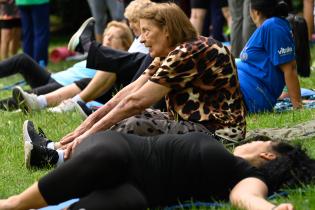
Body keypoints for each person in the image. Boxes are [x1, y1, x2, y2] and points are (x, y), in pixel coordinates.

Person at [3, 129, 315, 209]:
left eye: (264, 141)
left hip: (139, 191)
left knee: (131, 205)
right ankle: (15, 204)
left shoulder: (246, 175)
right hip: (122, 151)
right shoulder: (228, 159)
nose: (255, 141)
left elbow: (246, 198)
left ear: (269, 155)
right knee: (107, 159)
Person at [0, 20, 133, 111]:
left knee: (23, 97)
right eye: (106, 35)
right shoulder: (99, 56)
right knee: (22, 59)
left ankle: (84, 43)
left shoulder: (115, 65)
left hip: (64, 88)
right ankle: (84, 44)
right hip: (52, 78)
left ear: (125, 44)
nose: (107, 39)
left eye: (113, 37)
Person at [236, 0, 303, 113]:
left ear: (255, 12)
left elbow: (290, 68)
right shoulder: (269, 26)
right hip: (242, 88)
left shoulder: (273, 26)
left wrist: (298, 107)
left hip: (248, 94)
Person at [15, 0, 50, 65]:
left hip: (21, 2)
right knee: (40, 33)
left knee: (27, 34)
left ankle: (27, 63)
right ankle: (39, 62)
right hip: (39, 2)